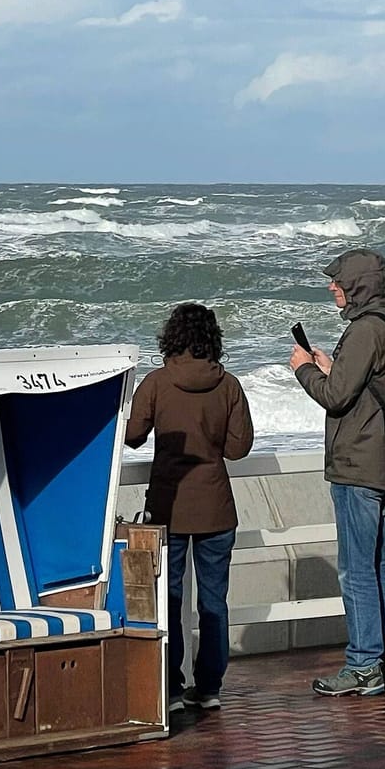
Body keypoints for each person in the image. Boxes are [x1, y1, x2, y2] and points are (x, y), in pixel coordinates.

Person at [289, 248, 385, 698]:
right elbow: (362, 386)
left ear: (356, 284)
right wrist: (331, 366)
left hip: (359, 466)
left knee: (357, 570)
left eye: (337, 279)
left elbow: (337, 398)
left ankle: (363, 666)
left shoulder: (364, 331)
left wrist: (305, 371)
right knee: (379, 566)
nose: (331, 286)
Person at [126, 302, 254, 712]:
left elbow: (131, 436)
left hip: (169, 507)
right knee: (214, 601)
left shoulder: (158, 382)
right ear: (212, 339)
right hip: (216, 508)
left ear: (171, 337)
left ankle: (173, 687)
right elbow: (239, 448)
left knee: (170, 597)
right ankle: (210, 686)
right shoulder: (228, 384)